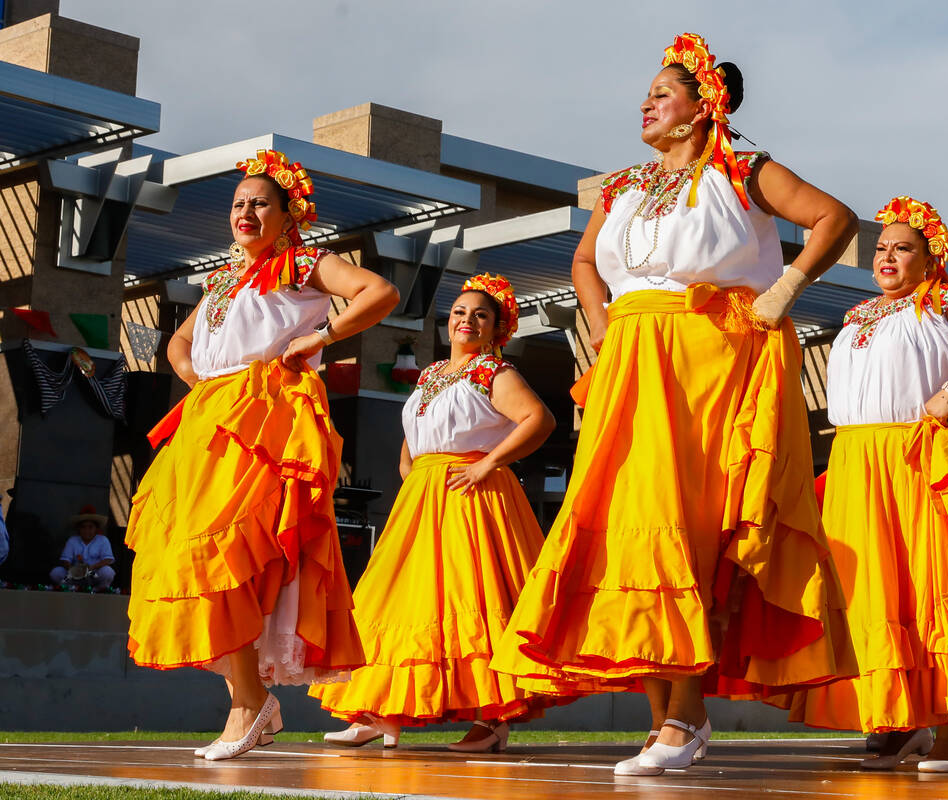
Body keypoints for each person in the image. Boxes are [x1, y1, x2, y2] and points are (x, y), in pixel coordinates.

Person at [491, 33, 859, 776]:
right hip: (632, 360)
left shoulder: (741, 169)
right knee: (633, 528)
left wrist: (782, 293)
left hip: (708, 359)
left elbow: (835, 218)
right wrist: (601, 326)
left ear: (702, 105)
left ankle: (686, 715)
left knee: (692, 526)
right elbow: (586, 260)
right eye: (647, 94)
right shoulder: (627, 184)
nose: (646, 103)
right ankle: (667, 721)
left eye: (661, 93)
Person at [125, 149, 399, 761]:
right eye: (238, 203)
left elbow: (378, 291)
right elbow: (180, 342)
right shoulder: (222, 278)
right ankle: (250, 697)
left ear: (288, 211)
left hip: (264, 414)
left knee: (233, 553)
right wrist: (202, 384)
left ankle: (248, 703)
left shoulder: (300, 261)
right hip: (211, 420)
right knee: (190, 558)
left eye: (260, 203)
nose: (246, 212)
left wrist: (319, 337)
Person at [787, 196, 948, 772]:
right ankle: (898, 723)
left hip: (913, 455)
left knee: (928, 587)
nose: (887, 257)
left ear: (930, 258)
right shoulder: (860, 313)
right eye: (881, 248)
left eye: (902, 248)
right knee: (868, 591)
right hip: (855, 460)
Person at [312, 273, 567, 752]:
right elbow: (419, 424)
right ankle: (376, 709)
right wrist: (409, 464)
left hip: (470, 497)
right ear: (448, 323)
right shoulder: (431, 374)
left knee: (468, 603)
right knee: (395, 600)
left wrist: (489, 463)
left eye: (480, 315)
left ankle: (493, 719)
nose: (467, 320)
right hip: (424, 497)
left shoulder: (495, 372)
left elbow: (540, 419)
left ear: (496, 328)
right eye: (459, 313)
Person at [49, 506, 116, 589]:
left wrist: (91, 567)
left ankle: (99, 590)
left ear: (96, 528)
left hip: (94, 574)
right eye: (83, 527)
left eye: (90, 527)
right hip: (74, 575)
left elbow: (108, 560)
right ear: (78, 528)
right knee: (56, 572)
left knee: (108, 572)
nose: (86, 530)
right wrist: (73, 570)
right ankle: (71, 588)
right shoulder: (72, 540)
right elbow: (65, 560)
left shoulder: (103, 540)